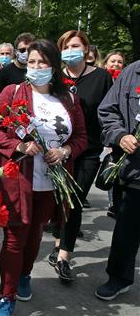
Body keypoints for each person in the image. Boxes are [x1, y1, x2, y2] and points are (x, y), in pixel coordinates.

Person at [0, 39, 87, 316]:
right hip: (20, 180)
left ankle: (25, 276)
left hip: (53, 183)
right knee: (15, 238)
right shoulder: (13, 92)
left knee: (36, 235)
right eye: (31, 62)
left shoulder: (68, 99)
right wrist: (19, 146)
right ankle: (7, 297)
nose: (36, 67)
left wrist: (65, 151)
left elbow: (81, 137)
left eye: (42, 62)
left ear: (53, 66)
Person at [46, 31, 113, 279]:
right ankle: (57, 242)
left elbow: (109, 111)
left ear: (86, 49)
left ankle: (65, 255)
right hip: (57, 150)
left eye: (75, 45)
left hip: (88, 151)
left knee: (73, 200)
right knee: (59, 200)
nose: (70, 50)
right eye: (65, 47)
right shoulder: (54, 78)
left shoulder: (101, 77)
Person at [95, 59, 140, 300]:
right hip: (134, 172)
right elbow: (107, 110)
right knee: (126, 231)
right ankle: (118, 278)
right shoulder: (132, 72)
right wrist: (120, 135)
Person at [0, 32, 35, 106]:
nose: (26, 53)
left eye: (30, 50)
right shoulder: (4, 72)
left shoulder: (36, 72)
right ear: (16, 52)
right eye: (22, 50)